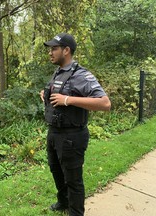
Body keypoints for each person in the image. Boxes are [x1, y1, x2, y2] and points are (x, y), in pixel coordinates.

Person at [40, 33, 111, 216]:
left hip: (72, 136)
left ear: (66, 50)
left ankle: (76, 213)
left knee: (73, 179)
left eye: (54, 48)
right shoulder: (59, 72)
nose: (50, 52)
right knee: (56, 170)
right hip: (54, 133)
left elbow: (105, 103)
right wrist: (45, 94)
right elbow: (58, 93)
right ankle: (63, 202)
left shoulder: (82, 75)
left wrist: (68, 100)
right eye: (50, 49)